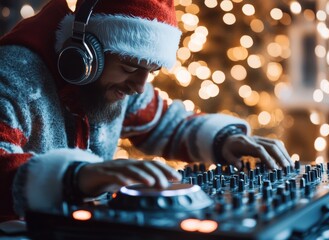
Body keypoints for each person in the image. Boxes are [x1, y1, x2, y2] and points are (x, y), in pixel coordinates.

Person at [0, 0, 293, 222]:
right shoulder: (13, 75)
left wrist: (222, 141)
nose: (140, 87)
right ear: (84, 55)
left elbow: (165, 124)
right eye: (129, 68)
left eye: (149, 72)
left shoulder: (115, 84)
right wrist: (75, 176)